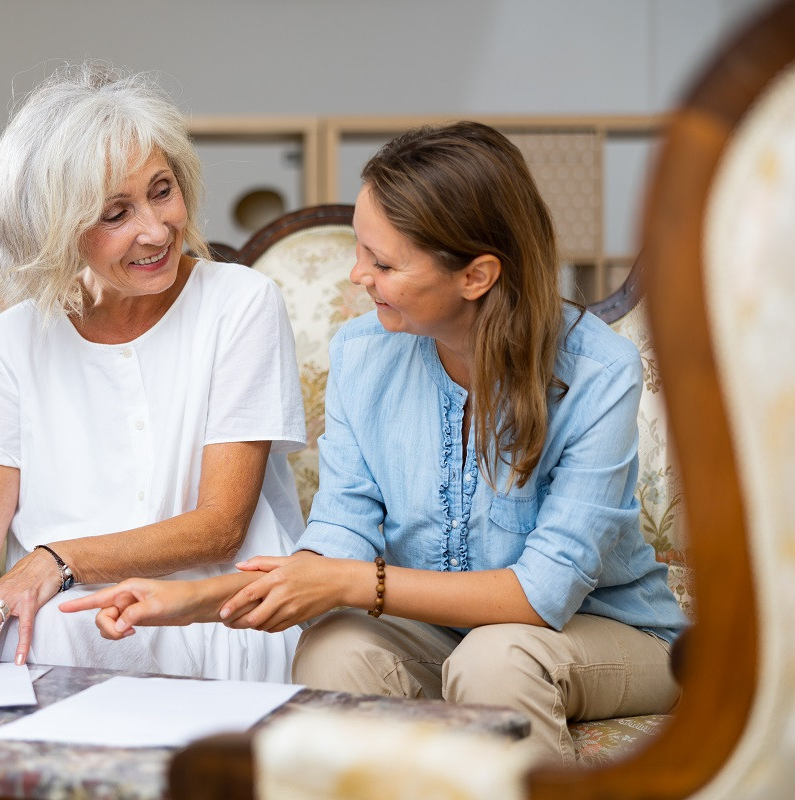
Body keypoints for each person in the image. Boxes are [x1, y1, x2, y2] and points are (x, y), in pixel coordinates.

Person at [62, 122, 689, 765]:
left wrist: (355, 584)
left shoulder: (597, 371)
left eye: (383, 262)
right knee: (335, 649)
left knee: (498, 659)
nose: (357, 275)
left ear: (476, 275)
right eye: (361, 250)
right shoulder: (362, 355)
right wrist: (190, 599)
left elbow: (540, 595)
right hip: (442, 636)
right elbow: (336, 540)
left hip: (609, 635)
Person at [0, 63, 306, 682]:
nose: (155, 228)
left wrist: (55, 561)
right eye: (115, 213)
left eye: (162, 190)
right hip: (57, 637)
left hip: (213, 621)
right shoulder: (14, 339)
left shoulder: (241, 303)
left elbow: (220, 527)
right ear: (53, 230)